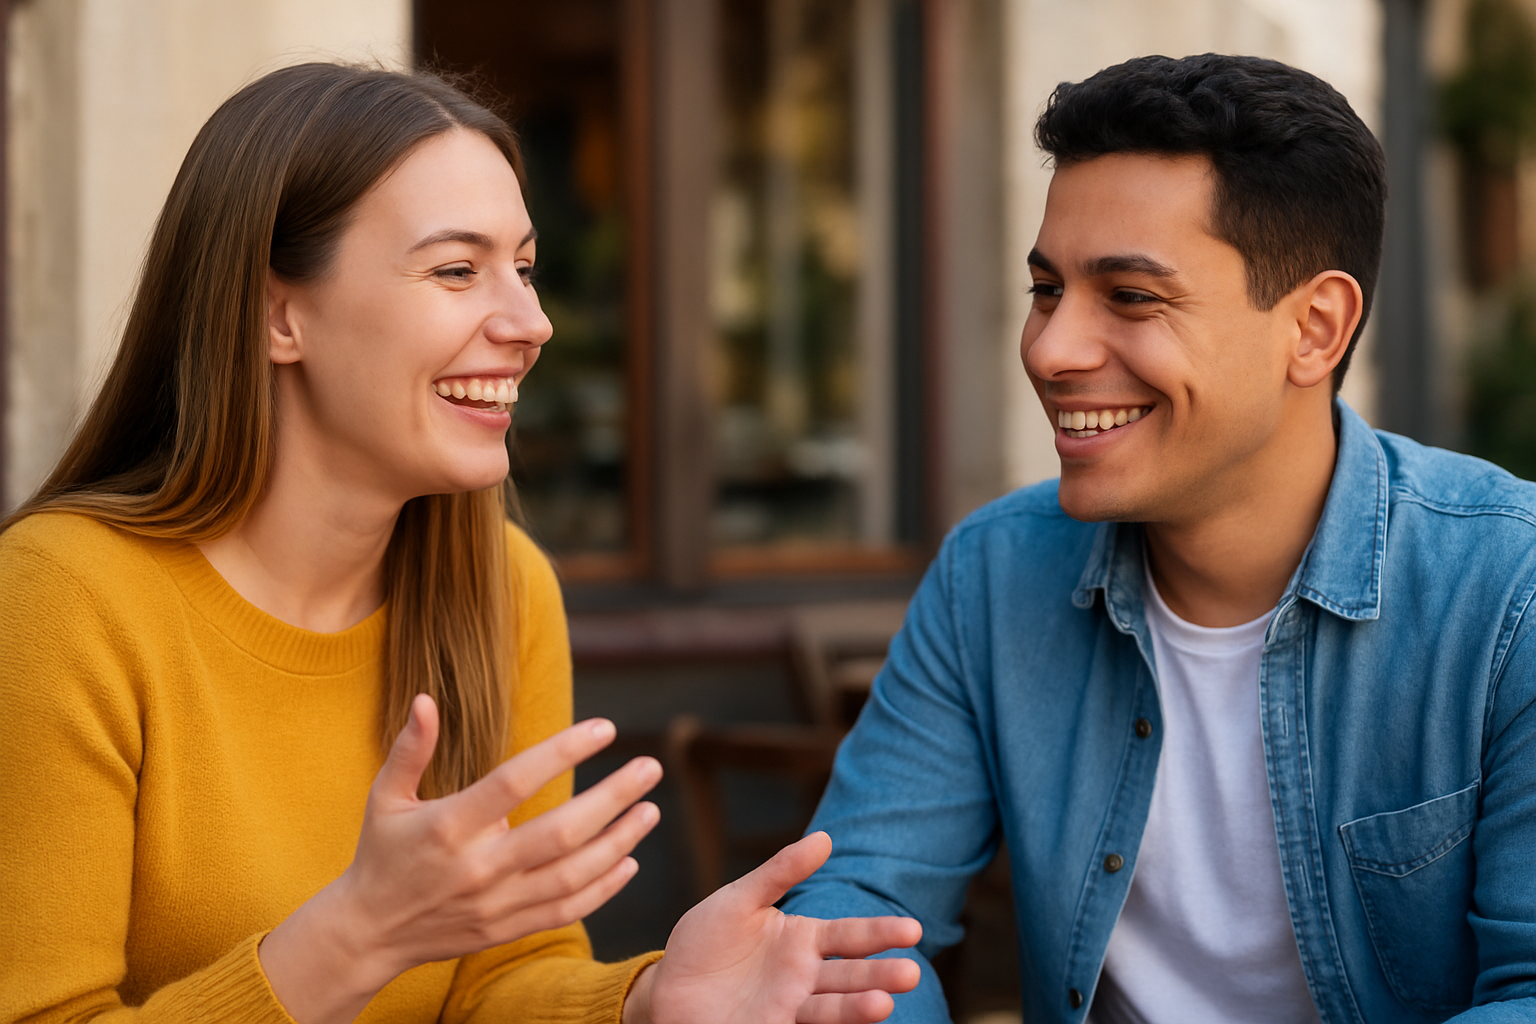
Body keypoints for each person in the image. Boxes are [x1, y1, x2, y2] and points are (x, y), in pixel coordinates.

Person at [0, 62, 922, 1024]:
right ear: (280, 314)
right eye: (456, 269)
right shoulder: (65, 599)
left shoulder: (502, 587)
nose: (531, 323)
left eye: (524, 267)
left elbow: (497, 981)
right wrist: (355, 937)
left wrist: (644, 1002)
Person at [783, 52, 1536, 1023]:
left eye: (1131, 297)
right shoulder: (993, 573)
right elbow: (856, 921)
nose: (1051, 349)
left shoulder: (1509, 587)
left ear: (1315, 327)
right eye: (1047, 288)